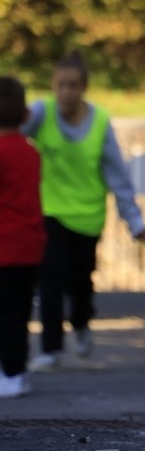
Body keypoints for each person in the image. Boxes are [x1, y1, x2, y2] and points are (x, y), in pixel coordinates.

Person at [23, 50, 145, 370]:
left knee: (80, 283)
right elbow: (11, 134)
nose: (66, 92)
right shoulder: (41, 112)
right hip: (50, 210)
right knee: (50, 279)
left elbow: (117, 174)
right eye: (61, 85)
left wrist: (134, 220)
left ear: (83, 87)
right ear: (53, 85)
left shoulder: (100, 122)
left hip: (88, 216)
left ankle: (81, 322)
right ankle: (51, 349)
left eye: (73, 85)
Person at [0, 76, 46, 398]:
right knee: (18, 314)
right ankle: (18, 370)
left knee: (4, 315)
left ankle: (10, 373)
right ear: (25, 115)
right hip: (29, 244)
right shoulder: (30, 151)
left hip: (4, 246)